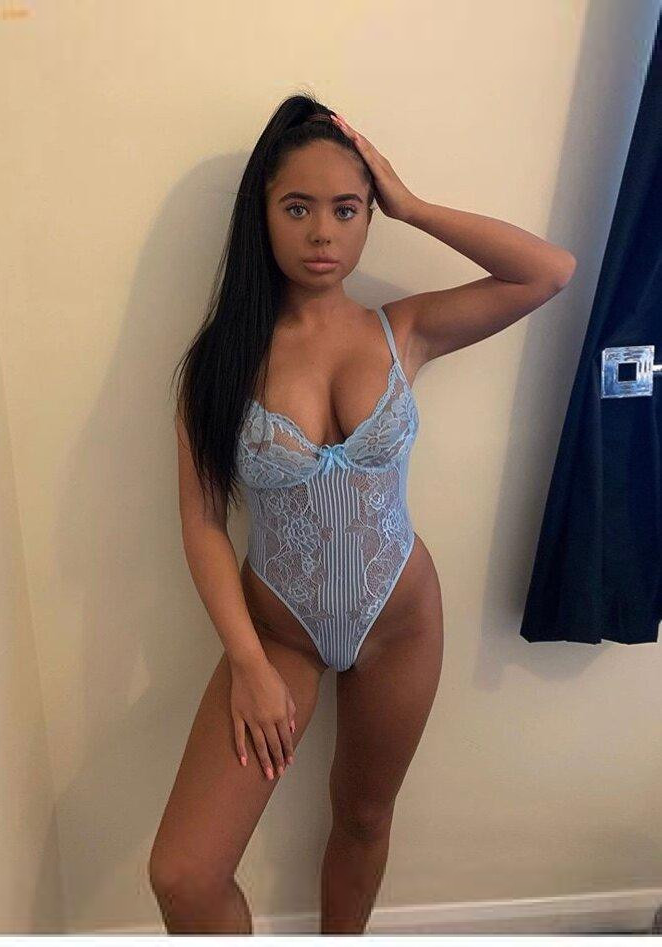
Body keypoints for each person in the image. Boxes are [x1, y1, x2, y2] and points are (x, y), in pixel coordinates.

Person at [148, 93, 576, 934]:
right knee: (186, 874)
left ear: (369, 217)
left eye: (347, 209)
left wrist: (410, 202)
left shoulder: (404, 330)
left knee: (364, 817)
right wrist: (246, 661)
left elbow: (549, 271)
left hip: (401, 623)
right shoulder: (221, 361)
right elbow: (201, 523)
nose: (322, 232)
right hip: (279, 636)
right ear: (262, 213)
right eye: (297, 207)